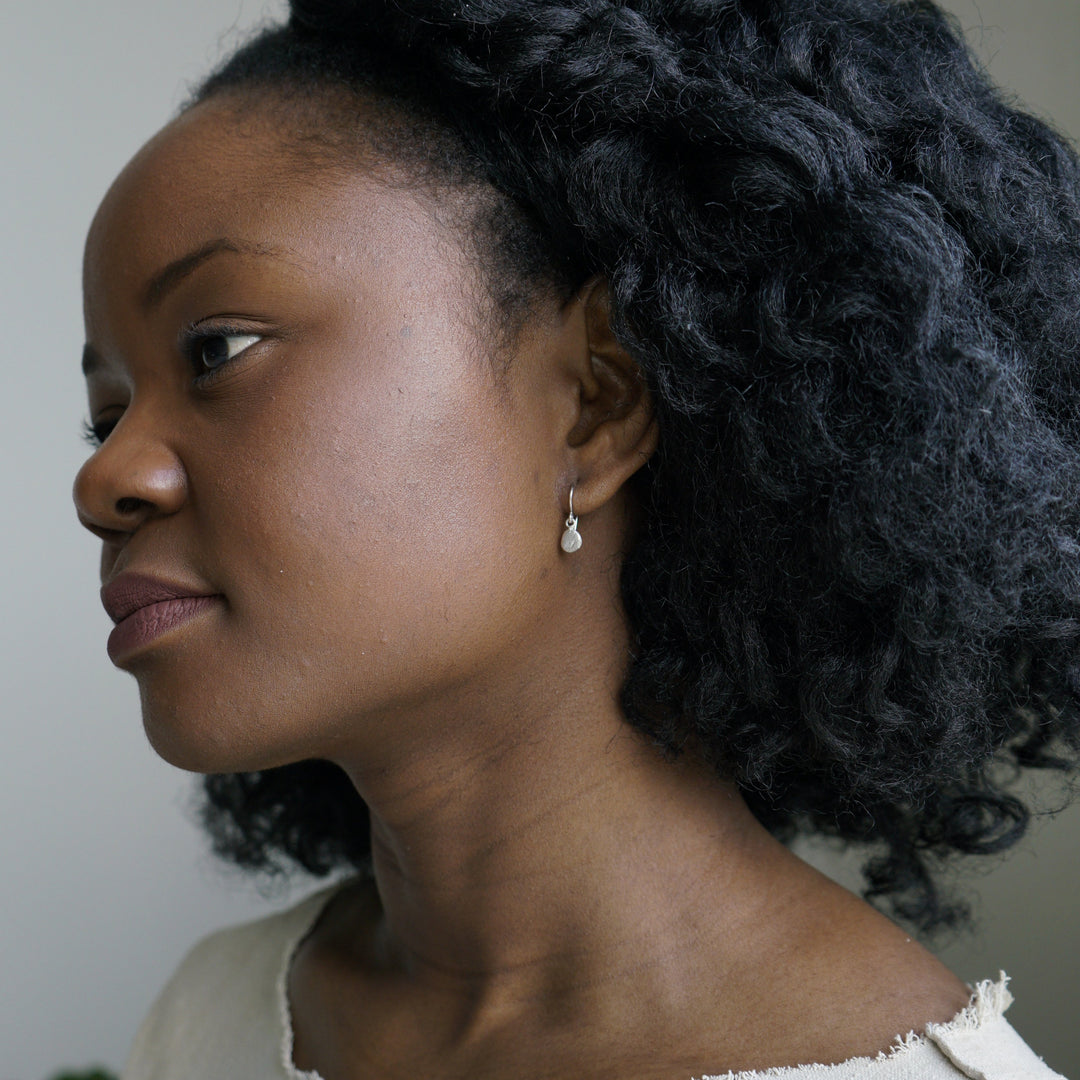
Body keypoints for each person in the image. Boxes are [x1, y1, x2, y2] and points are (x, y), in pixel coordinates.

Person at [73, 0, 1080, 1076]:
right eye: (107, 411)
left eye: (219, 348)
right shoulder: (213, 1016)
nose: (104, 479)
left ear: (594, 404)